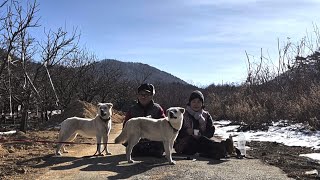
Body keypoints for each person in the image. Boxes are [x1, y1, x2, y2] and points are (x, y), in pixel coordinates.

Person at [174, 90, 226, 159]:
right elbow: (175, 131)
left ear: (202, 103)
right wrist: (186, 132)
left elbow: (211, 130)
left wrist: (202, 135)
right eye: (194, 102)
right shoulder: (183, 115)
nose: (196, 104)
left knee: (203, 141)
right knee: (194, 142)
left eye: (199, 102)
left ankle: (221, 149)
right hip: (185, 144)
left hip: (202, 141)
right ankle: (217, 150)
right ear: (190, 103)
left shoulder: (206, 115)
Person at [122, 83, 165, 157]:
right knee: (135, 150)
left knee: (159, 149)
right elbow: (125, 126)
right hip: (137, 139)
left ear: (152, 96)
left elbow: (165, 126)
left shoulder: (158, 109)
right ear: (137, 96)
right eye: (141, 94)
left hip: (154, 139)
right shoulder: (132, 110)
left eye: (147, 94)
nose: (143, 96)